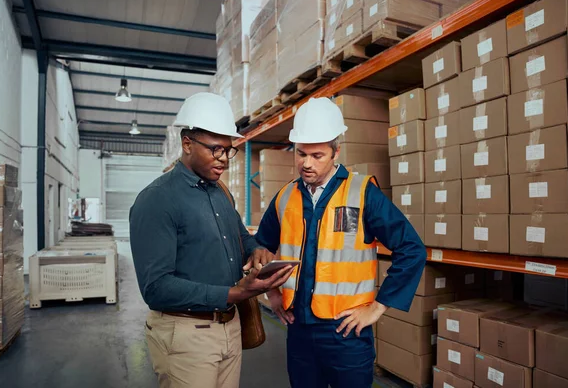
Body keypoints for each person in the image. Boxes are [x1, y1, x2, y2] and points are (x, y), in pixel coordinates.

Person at [255, 97, 427, 388]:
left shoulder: (362, 193)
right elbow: (262, 246)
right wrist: (271, 293)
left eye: (317, 155)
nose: (306, 164)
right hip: (298, 328)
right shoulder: (285, 196)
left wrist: (378, 307)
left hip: (345, 332)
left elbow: (411, 249)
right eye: (301, 154)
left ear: (336, 152)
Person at [129, 92, 294, 388]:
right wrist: (234, 293)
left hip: (229, 327)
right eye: (216, 150)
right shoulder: (157, 200)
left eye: (228, 151)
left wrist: (258, 252)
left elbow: (243, 239)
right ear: (187, 143)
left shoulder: (220, 193)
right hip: (185, 336)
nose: (224, 160)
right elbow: (155, 288)